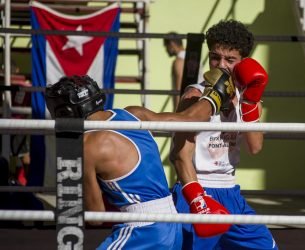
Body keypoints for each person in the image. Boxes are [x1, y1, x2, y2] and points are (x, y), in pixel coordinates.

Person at [44, 74, 234, 250]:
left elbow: (96, 214)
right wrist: (217, 93)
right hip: (172, 222)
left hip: (143, 228)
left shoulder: (88, 146)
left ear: (66, 113)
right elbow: (189, 119)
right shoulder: (133, 114)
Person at [170, 20, 278, 249]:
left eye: (230, 60)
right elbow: (180, 156)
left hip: (231, 192)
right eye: (215, 57)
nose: (220, 65)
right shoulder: (193, 96)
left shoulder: (249, 97)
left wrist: (249, 103)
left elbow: (255, 147)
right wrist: (199, 201)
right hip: (196, 190)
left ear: (243, 62)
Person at [163, 32, 203, 110]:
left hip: (186, 105)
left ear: (172, 44)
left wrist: (177, 111)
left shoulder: (179, 61)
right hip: (198, 102)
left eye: (166, 46)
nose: (166, 50)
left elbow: (179, 89)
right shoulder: (194, 58)